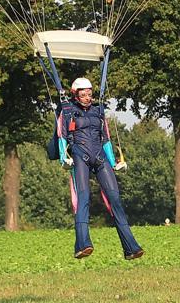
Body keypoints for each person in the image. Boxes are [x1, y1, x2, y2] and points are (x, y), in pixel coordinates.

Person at [56, 77, 144, 260]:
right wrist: (64, 158)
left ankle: (131, 248)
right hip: (80, 156)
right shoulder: (67, 111)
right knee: (83, 198)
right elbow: (62, 136)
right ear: (75, 95)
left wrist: (113, 162)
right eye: (83, 94)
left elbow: (106, 139)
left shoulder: (98, 111)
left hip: (100, 157)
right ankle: (82, 245)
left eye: (89, 94)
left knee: (115, 199)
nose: (88, 97)